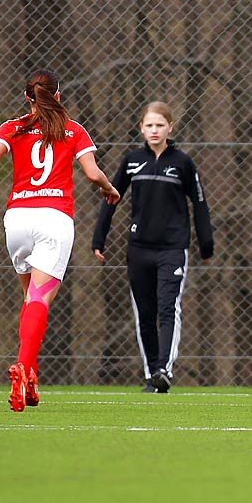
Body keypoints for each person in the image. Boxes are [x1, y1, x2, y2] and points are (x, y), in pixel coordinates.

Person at [0, 70, 119, 413]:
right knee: (39, 301)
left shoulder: (11, 128)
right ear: (58, 96)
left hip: (17, 220)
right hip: (53, 219)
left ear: (27, 98)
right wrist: (108, 187)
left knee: (29, 300)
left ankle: (31, 378)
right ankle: (21, 368)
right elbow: (91, 173)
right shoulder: (72, 129)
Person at [90, 102, 214, 393]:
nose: (154, 130)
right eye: (149, 125)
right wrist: (99, 238)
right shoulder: (133, 160)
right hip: (139, 249)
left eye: (160, 125)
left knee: (168, 307)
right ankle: (151, 374)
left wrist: (206, 244)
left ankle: (163, 369)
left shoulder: (182, 162)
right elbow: (112, 197)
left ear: (170, 127)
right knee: (144, 313)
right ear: (142, 128)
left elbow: (199, 203)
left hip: (172, 248)